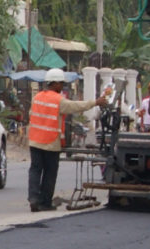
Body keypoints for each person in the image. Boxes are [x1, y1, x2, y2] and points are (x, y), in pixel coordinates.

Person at [25, 72, 110, 211]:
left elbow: (31, 115)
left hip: (35, 140)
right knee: (50, 172)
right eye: (61, 84)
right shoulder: (59, 100)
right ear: (55, 83)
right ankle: (45, 203)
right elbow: (76, 106)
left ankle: (33, 198)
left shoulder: (37, 97)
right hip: (51, 142)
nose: (62, 86)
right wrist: (95, 102)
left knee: (35, 170)